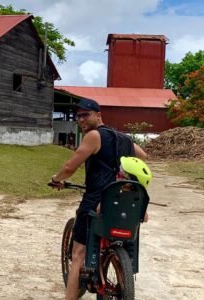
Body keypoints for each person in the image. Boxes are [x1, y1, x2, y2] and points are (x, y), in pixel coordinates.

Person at [49, 98, 148, 300]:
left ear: (98, 115)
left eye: (86, 115)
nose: (81, 119)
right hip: (122, 202)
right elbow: (143, 155)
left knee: (77, 255)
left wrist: (56, 179)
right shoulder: (124, 139)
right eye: (78, 116)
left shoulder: (94, 136)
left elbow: (70, 167)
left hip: (96, 201)